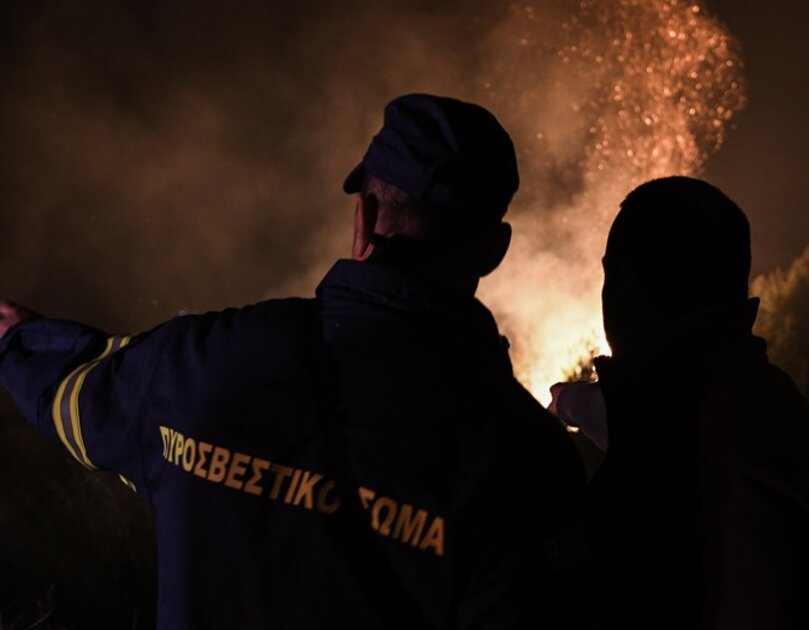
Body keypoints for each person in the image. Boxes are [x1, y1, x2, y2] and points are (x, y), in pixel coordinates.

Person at [0, 94, 587, 629]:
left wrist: (19, 340)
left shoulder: (199, 363)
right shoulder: (529, 462)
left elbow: (72, 396)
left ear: (364, 216)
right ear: (495, 250)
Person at [553, 176, 809, 628]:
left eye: (609, 274)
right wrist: (575, 404)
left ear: (626, 283)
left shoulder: (704, 425)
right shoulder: (755, 399)